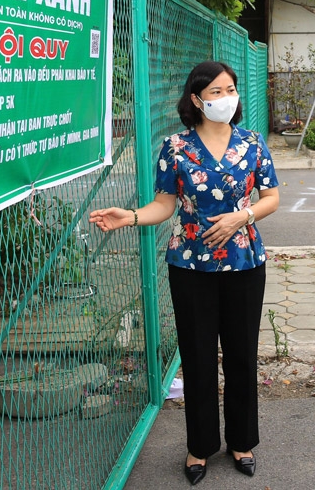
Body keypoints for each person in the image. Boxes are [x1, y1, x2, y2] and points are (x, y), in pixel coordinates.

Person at [89, 61, 280, 486]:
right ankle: (200, 446)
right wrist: (130, 217)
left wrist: (240, 217)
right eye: (215, 91)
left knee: (241, 354)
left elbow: (271, 198)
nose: (225, 97)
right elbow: (164, 205)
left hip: (245, 263)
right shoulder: (175, 147)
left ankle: (242, 441)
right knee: (196, 357)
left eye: (230, 89)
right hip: (190, 265)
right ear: (196, 99)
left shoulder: (252, 143)